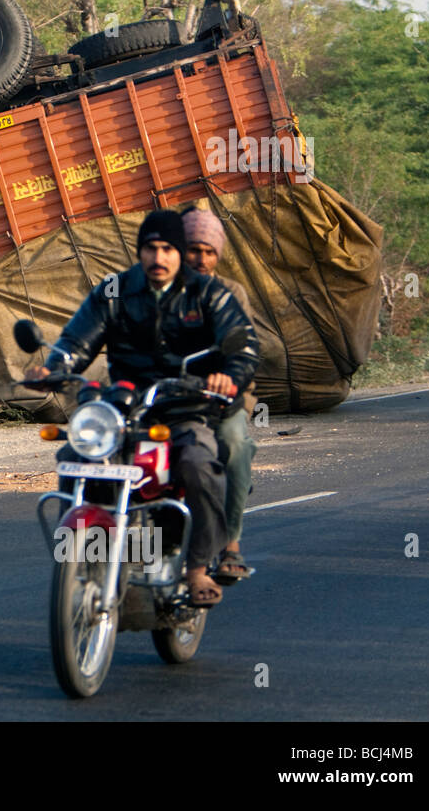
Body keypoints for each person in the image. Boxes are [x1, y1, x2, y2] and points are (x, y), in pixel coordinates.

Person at [25, 209, 260, 606]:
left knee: (199, 466)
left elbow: (242, 343)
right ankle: (87, 560)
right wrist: (54, 366)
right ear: (140, 251)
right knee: (75, 454)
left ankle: (198, 566)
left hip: (187, 405)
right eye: (151, 248)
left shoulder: (208, 293)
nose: (159, 257)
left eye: (168, 249)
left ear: (179, 253)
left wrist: (229, 375)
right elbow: (77, 342)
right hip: (126, 405)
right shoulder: (114, 290)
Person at [182, 208, 258, 584]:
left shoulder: (233, 293)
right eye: (193, 249)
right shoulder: (158, 292)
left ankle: (231, 546)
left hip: (222, 399)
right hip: (172, 399)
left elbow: (244, 350)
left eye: (209, 251)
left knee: (235, 445)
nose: (202, 258)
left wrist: (228, 380)